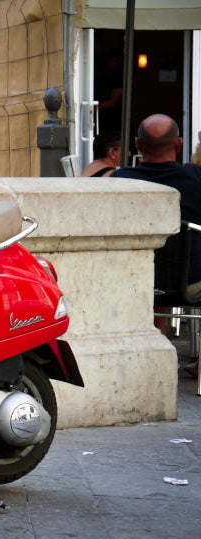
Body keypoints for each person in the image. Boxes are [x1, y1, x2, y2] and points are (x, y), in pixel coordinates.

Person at [111, 114, 201, 373]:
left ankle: (148, 353)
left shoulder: (120, 181)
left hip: (134, 279)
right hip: (191, 283)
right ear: (179, 145)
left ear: (137, 145)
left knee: (154, 269)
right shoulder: (196, 180)